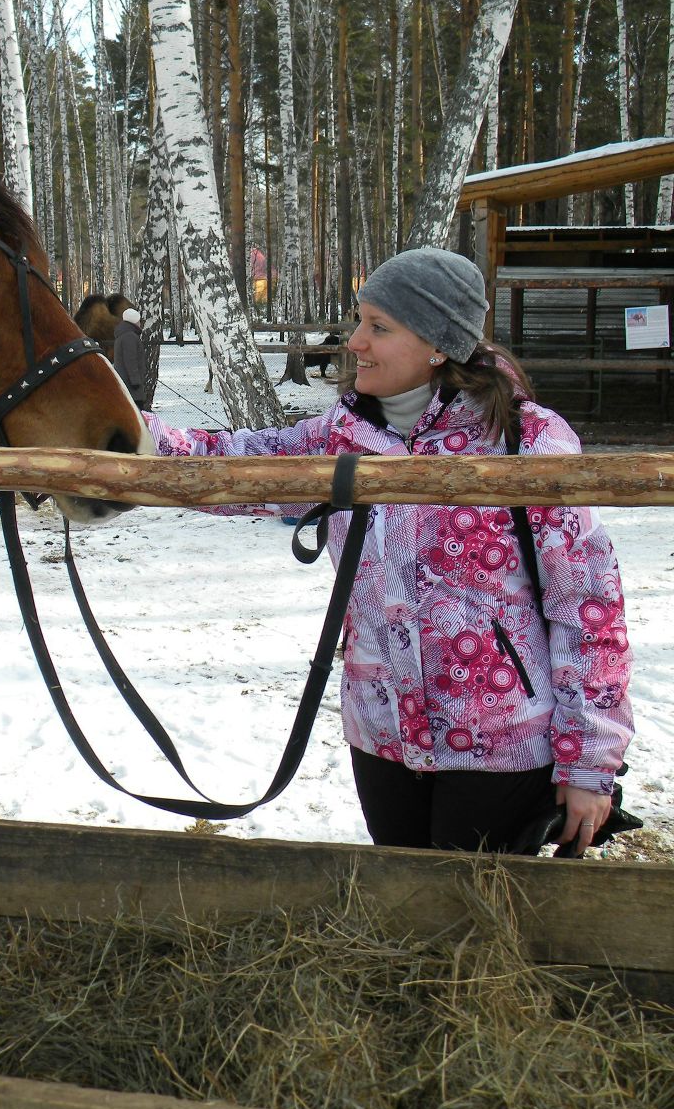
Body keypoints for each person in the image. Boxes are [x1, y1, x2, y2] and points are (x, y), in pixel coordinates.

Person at [144, 248, 634, 856]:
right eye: (359, 321)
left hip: (501, 740)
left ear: (438, 344)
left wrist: (589, 765)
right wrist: (120, 429)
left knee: (472, 919)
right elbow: (234, 464)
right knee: (401, 906)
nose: (355, 343)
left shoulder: (527, 442)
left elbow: (588, 608)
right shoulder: (343, 436)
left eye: (379, 327)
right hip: (382, 732)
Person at [113, 307, 148, 408]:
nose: (140, 323)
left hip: (126, 384)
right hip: (131, 386)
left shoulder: (123, 335)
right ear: (134, 321)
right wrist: (136, 380)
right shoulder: (130, 337)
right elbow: (130, 360)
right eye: (138, 320)